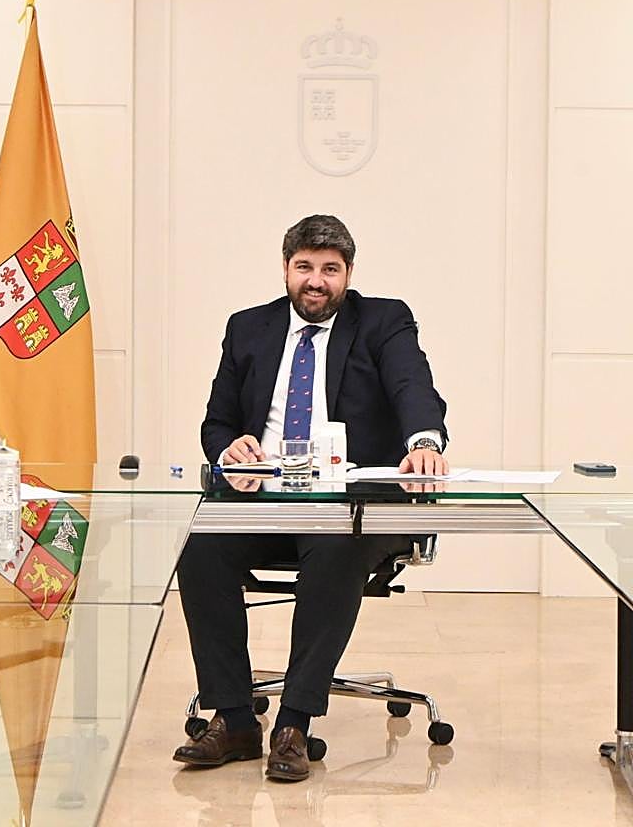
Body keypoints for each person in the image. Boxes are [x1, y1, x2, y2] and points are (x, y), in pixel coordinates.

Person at [173, 215, 448, 782]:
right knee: (199, 547)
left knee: (335, 545)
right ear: (285, 269)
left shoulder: (383, 321)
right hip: (264, 498)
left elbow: (412, 386)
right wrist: (232, 447)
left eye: (330, 269)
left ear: (348, 274)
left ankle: (294, 723)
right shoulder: (247, 327)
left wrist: (423, 441)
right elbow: (217, 422)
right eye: (305, 267)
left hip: (353, 505)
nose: (316, 280)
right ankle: (233, 719)